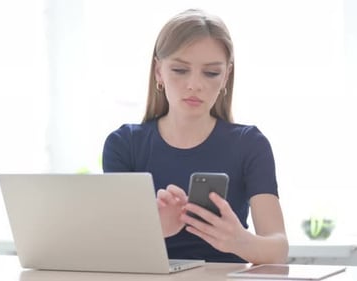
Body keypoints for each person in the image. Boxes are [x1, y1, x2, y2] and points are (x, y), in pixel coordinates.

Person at [102, 8, 288, 264]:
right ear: (159, 72)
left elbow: (277, 247)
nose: (194, 85)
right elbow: (113, 250)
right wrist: (158, 231)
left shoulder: (249, 144)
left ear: (226, 76)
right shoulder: (124, 144)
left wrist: (239, 240)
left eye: (211, 73)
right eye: (180, 70)